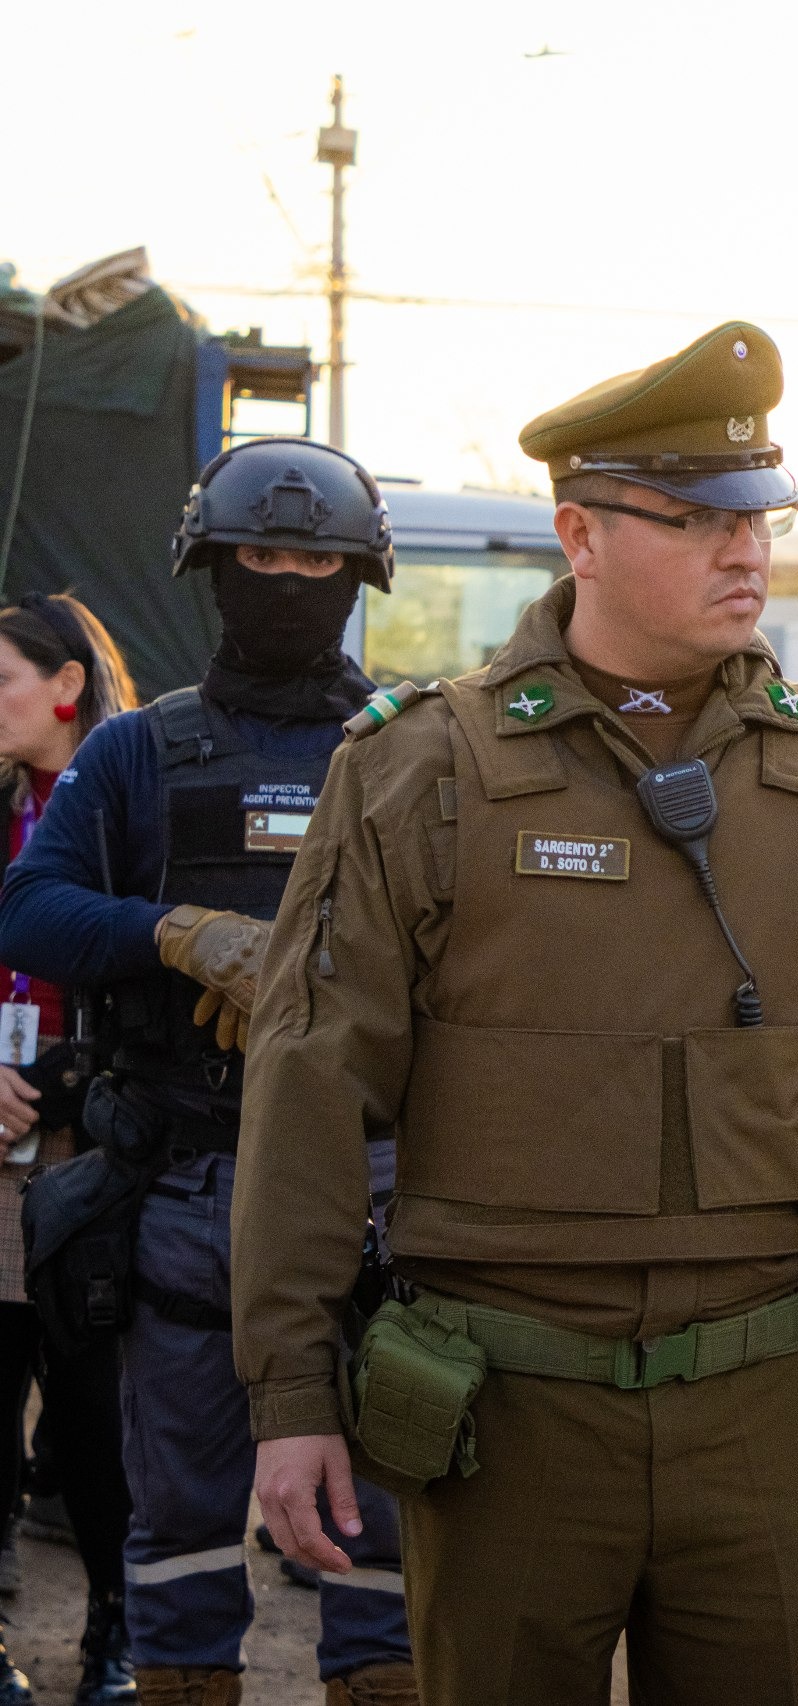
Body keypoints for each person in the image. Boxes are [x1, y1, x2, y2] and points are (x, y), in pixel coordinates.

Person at [229, 321, 798, 1706]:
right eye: (695, 518)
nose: (744, 550)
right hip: (504, 1410)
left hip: (760, 1409)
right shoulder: (423, 768)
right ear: (578, 533)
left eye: (757, 515)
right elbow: (308, 1094)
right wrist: (291, 1395)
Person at [0, 441, 416, 1706]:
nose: (286, 581)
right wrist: (174, 933)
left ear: (358, 577)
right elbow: (29, 909)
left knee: (387, 1533)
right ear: (213, 566)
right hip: (189, 1183)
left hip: (378, 1187)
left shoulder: (416, 746)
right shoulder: (138, 752)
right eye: (261, 555)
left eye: (314, 561)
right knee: (179, 1524)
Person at [0, 592, 138, 1705]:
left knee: (97, 1417)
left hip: (97, 1152)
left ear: (66, 686)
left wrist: (58, 1084)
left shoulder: (137, 803)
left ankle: (115, 1635)